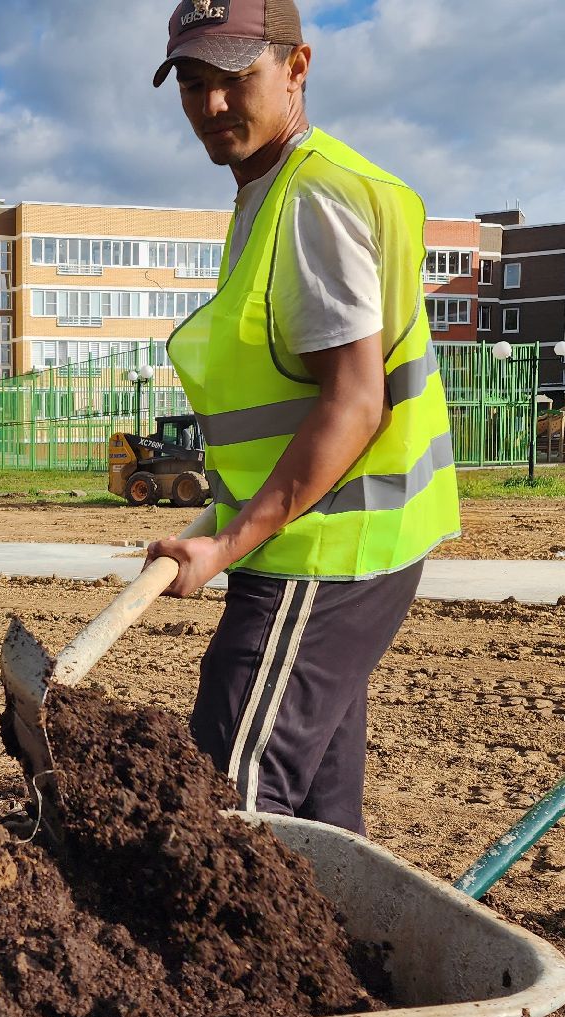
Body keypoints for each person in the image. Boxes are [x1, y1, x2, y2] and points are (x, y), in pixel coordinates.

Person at [146, 0, 459, 834]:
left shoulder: (312, 199)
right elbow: (282, 404)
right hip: (336, 541)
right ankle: (335, 958)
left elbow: (356, 403)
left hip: (324, 553)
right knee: (318, 821)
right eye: (192, 83)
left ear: (297, 67)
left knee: (228, 810)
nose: (211, 106)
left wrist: (225, 546)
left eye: (235, 78)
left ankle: (224, 967)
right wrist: (220, 515)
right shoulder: (271, 191)